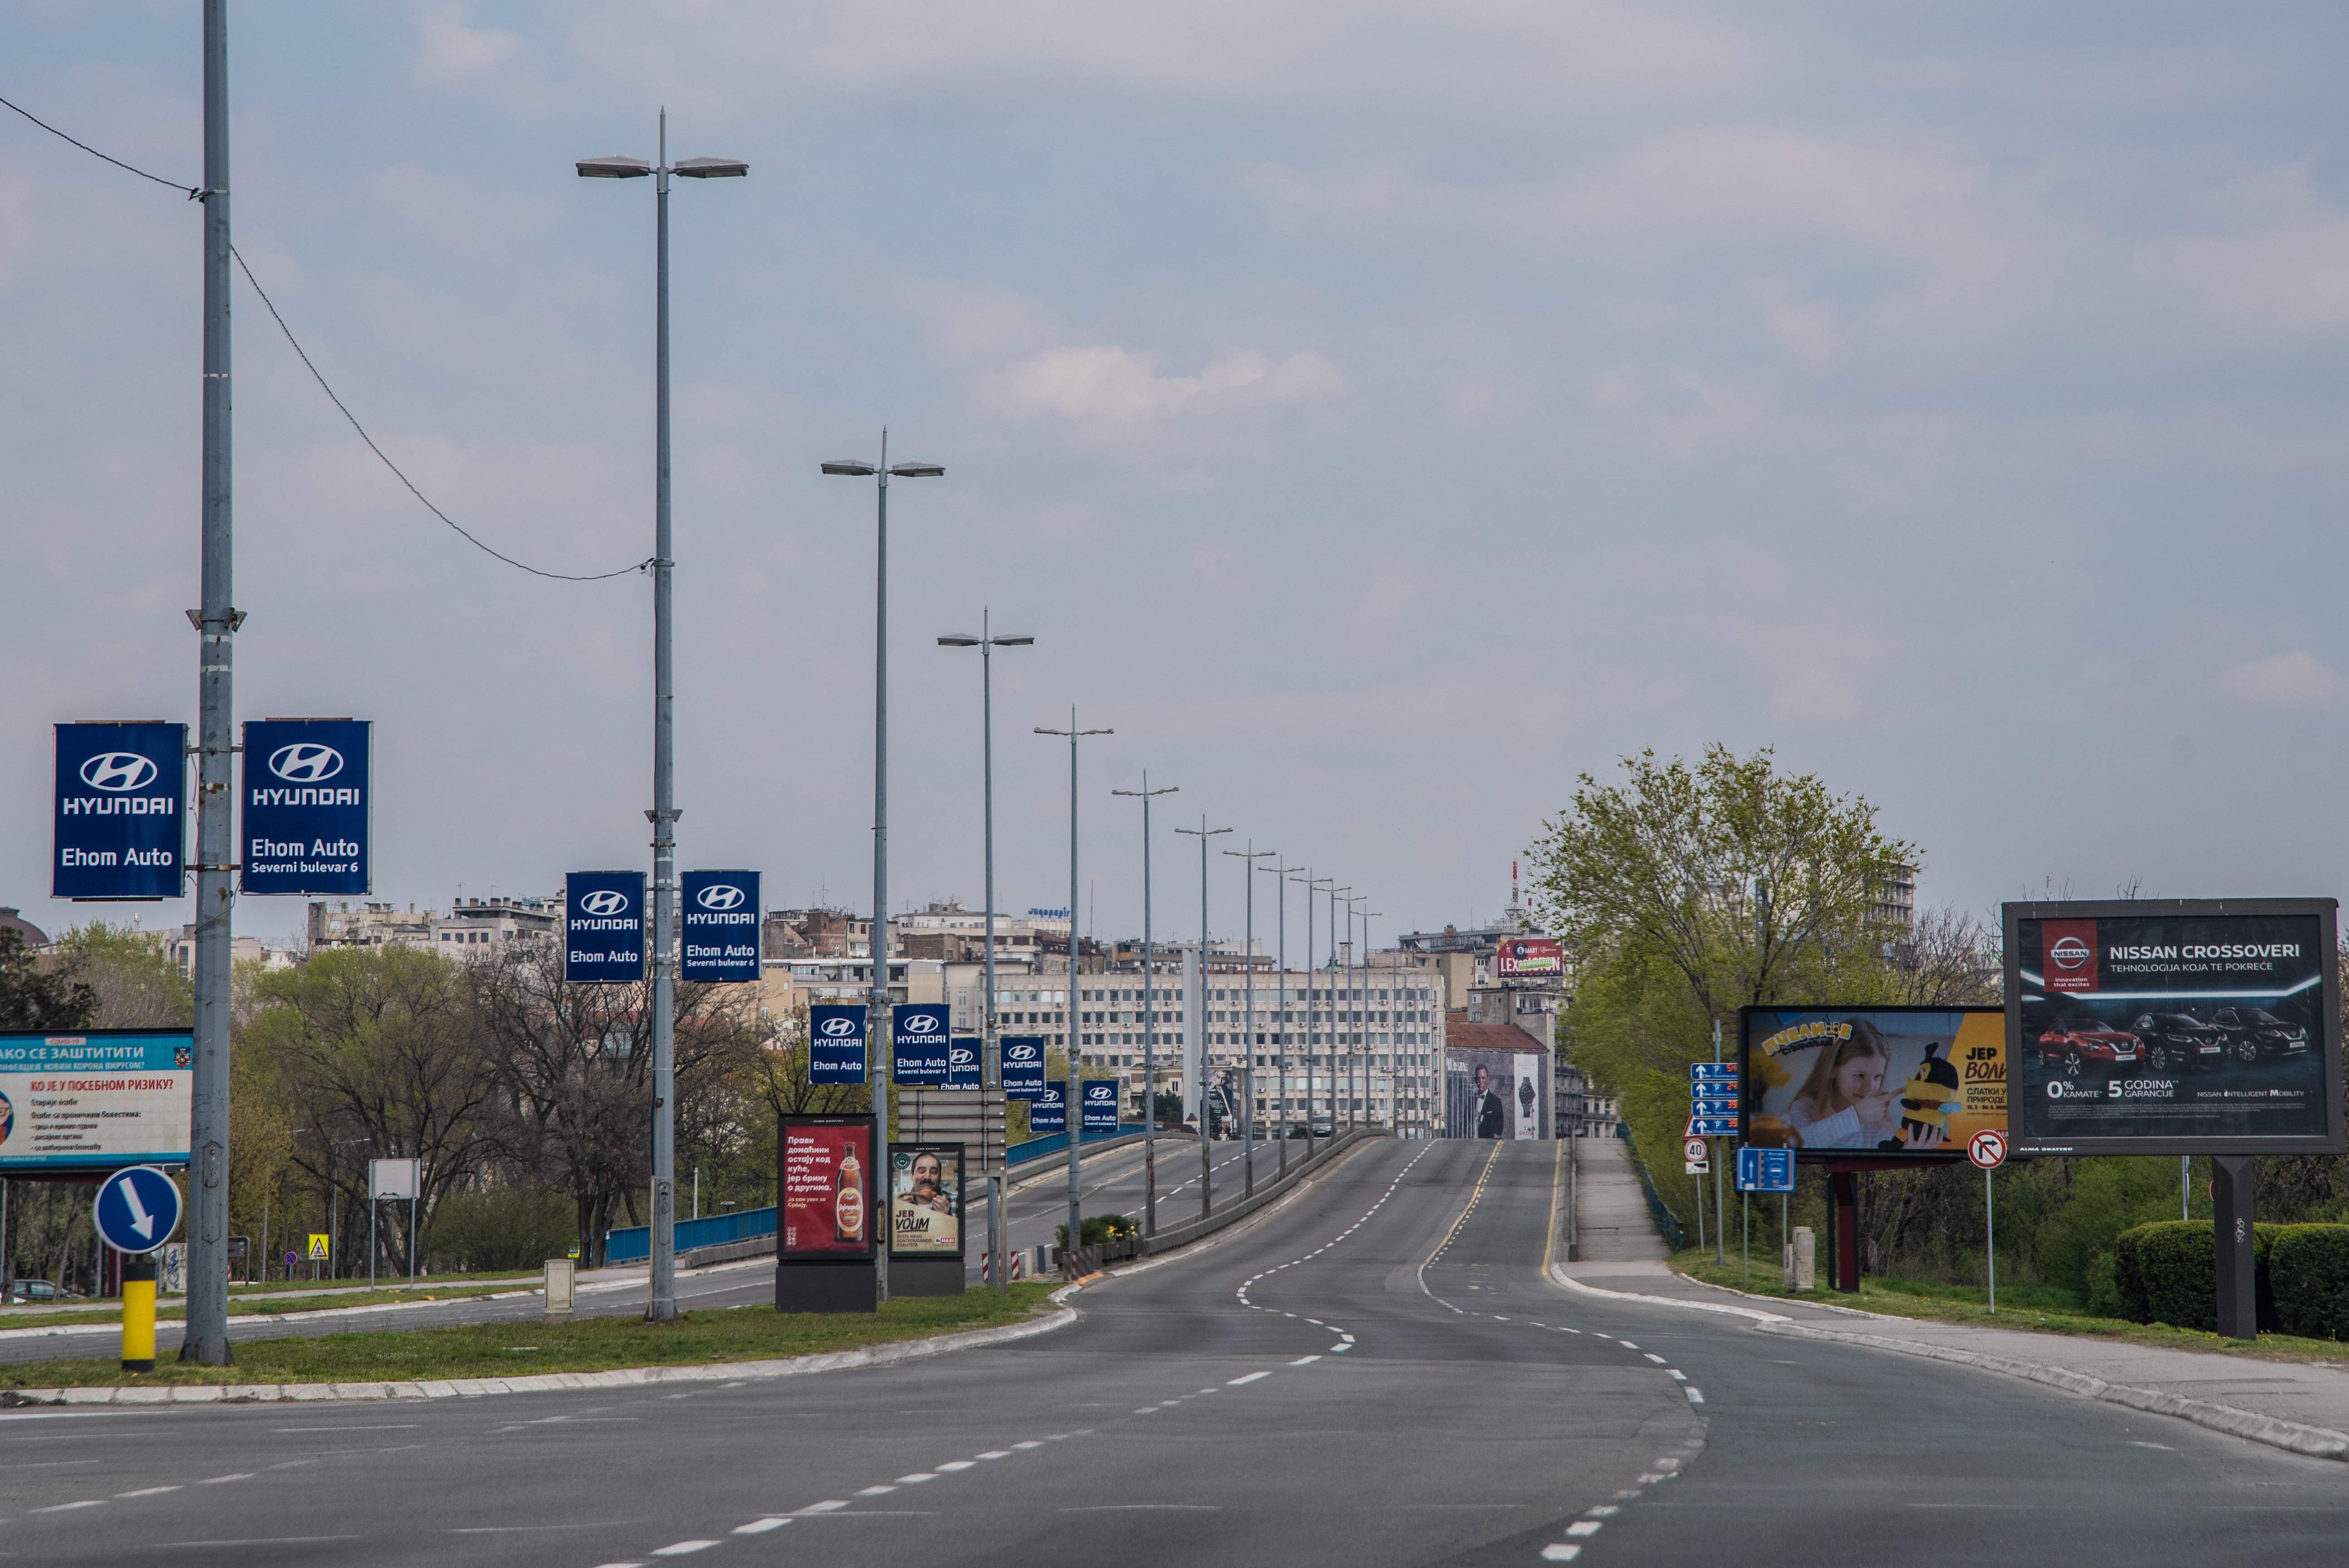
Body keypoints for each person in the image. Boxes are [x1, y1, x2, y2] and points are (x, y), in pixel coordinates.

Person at [1785, 1022, 1903, 1149]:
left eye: (1877, 1077)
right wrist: (1857, 1116)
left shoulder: (1878, 1124)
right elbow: (1794, 1145)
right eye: (1860, 1076)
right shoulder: (1807, 1108)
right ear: (1832, 1069)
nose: (1869, 1089)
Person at [1472, 1063, 1506, 1139]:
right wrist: (1471, 1125)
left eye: (1483, 1078)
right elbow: (1464, 1126)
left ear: (1488, 1080)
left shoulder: (1496, 1102)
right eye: (1478, 1078)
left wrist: (1481, 1117)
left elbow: (1499, 1129)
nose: (1481, 1082)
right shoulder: (1470, 1099)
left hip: (1487, 1144)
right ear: (1475, 1080)